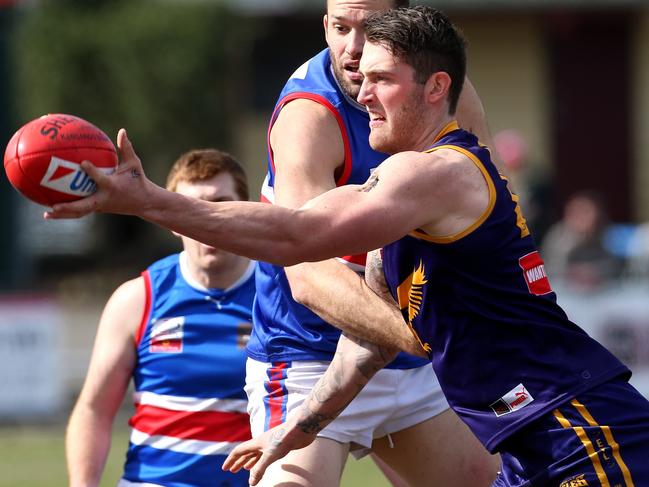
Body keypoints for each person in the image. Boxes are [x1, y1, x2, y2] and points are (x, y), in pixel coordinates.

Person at [49, 5, 649, 486]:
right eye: (343, 35)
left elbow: (297, 236)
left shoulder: (433, 174)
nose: (362, 89)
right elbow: (364, 345)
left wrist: (149, 201)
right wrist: (300, 427)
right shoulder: (394, 201)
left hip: (578, 430)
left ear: (437, 89)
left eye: (384, 79)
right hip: (531, 443)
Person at [244, 0, 498, 485]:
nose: (353, 50)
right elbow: (309, 276)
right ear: (325, 26)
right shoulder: (309, 117)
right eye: (340, 28)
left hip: (413, 360)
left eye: (371, 29)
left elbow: (490, 223)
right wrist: (423, 336)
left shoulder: (447, 93)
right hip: (309, 352)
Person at [65, 149, 256, 487]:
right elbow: (94, 409)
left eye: (219, 203)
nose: (205, 218)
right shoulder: (138, 298)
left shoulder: (278, 296)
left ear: (244, 210)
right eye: (190, 208)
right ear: (172, 220)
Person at [541, 190, 624, 291]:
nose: (580, 217)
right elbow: (550, 268)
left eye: (585, 212)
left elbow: (616, 266)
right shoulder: (558, 235)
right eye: (575, 211)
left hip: (601, 293)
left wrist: (594, 272)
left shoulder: (607, 233)